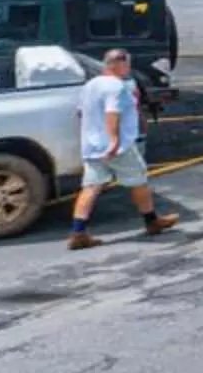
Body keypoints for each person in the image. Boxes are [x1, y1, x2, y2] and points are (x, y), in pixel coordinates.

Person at [68, 49, 177, 248]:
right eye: (127, 65)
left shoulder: (90, 86)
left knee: (91, 187)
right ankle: (152, 221)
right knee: (139, 181)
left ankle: (78, 232)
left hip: (92, 146)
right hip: (118, 148)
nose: (129, 69)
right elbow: (113, 113)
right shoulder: (116, 87)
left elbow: (81, 113)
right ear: (118, 64)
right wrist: (115, 140)